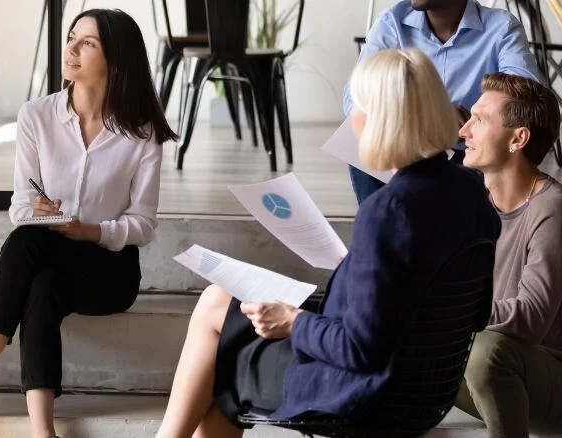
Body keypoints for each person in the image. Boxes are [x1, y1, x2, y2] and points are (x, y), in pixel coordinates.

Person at [155, 48, 499, 438]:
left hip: (363, 391)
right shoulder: (473, 193)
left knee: (221, 360)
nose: (350, 116)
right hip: (426, 387)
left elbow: (360, 349)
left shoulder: (388, 209)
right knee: (218, 298)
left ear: (378, 118)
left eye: (357, 105)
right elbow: (475, 314)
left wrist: (294, 321)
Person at [0, 9, 176, 438]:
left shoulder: (141, 133)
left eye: (87, 43)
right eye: (71, 37)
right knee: (40, 279)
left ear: (117, 60)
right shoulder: (37, 116)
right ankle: (42, 432)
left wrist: (90, 229)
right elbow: (19, 208)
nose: (70, 48)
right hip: (50, 249)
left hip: (109, 270)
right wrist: (44, 212)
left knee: (27, 248)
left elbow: (143, 224)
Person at [345, 0, 541, 203]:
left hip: (470, 152)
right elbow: (356, 98)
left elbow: (525, 95)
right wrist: (433, 116)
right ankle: (381, 229)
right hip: (406, 148)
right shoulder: (392, 23)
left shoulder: (500, 28)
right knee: (355, 137)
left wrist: (473, 119)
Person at [454, 72, 562, 437]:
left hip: (550, 377)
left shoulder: (552, 209)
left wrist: (449, 308)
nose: (463, 131)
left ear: (518, 138)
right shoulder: (471, 204)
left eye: (479, 120)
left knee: (486, 353)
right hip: (496, 370)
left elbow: (531, 319)